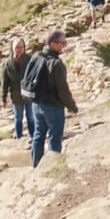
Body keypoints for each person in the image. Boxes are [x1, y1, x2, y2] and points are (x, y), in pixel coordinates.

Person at [30, 30, 77, 168]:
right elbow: (63, 90)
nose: (65, 45)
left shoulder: (36, 56)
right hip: (53, 107)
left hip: (36, 105)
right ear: (52, 44)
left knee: (38, 135)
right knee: (55, 137)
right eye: (62, 43)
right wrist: (72, 106)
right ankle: (52, 169)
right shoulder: (57, 64)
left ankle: (36, 165)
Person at [1, 37, 35, 141]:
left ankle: (33, 137)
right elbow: (5, 82)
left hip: (29, 94)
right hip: (16, 95)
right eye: (17, 47)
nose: (19, 49)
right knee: (18, 118)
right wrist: (3, 98)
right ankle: (19, 138)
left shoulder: (30, 60)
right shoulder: (7, 63)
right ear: (12, 48)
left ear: (24, 48)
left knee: (31, 117)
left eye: (21, 47)